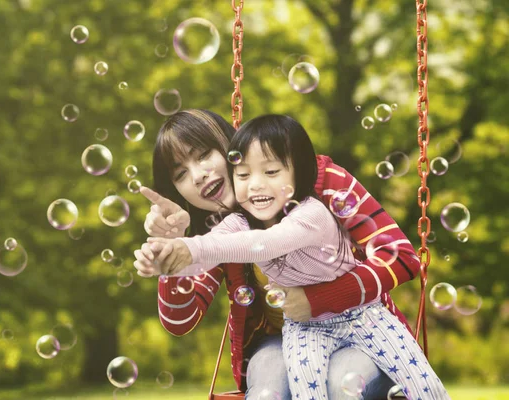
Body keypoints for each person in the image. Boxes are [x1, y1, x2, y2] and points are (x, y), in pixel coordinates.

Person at [137, 114, 450, 400]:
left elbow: (402, 257)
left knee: (342, 382)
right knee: (269, 389)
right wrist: (171, 248)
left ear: (231, 147)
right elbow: (181, 320)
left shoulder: (319, 181)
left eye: (204, 155)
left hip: (359, 324)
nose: (197, 176)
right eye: (180, 174)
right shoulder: (221, 228)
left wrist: (318, 298)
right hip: (286, 337)